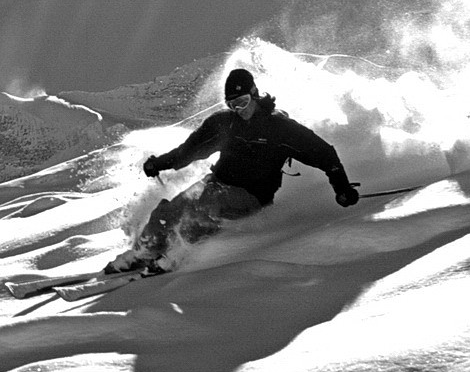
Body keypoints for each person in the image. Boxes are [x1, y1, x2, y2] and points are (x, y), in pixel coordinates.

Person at [107, 67, 360, 274]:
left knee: (208, 203)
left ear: (255, 95)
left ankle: (176, 254)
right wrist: (159, 163)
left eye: (242, 102)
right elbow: (190, 150)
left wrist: (342, 187)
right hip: (216, 183)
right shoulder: (224, 124)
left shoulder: (279, 129)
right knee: (171, 210)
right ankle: (142, 251)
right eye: (232, 105)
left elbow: (323, 153)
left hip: (251, 196)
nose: (239, 110)